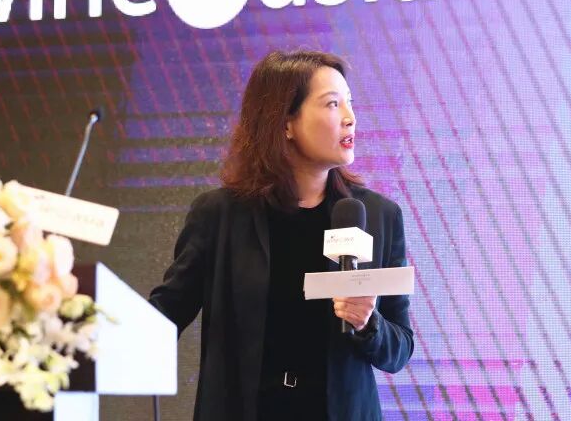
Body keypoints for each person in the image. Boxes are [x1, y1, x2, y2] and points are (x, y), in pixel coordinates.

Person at [149, 50, 413, 420]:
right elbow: (163, 316)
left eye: (349, 103)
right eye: (333, 104)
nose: (350, 118)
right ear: (285, 122)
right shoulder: (220, 215)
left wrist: (368, 323)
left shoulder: (379, 216)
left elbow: (399, 350)